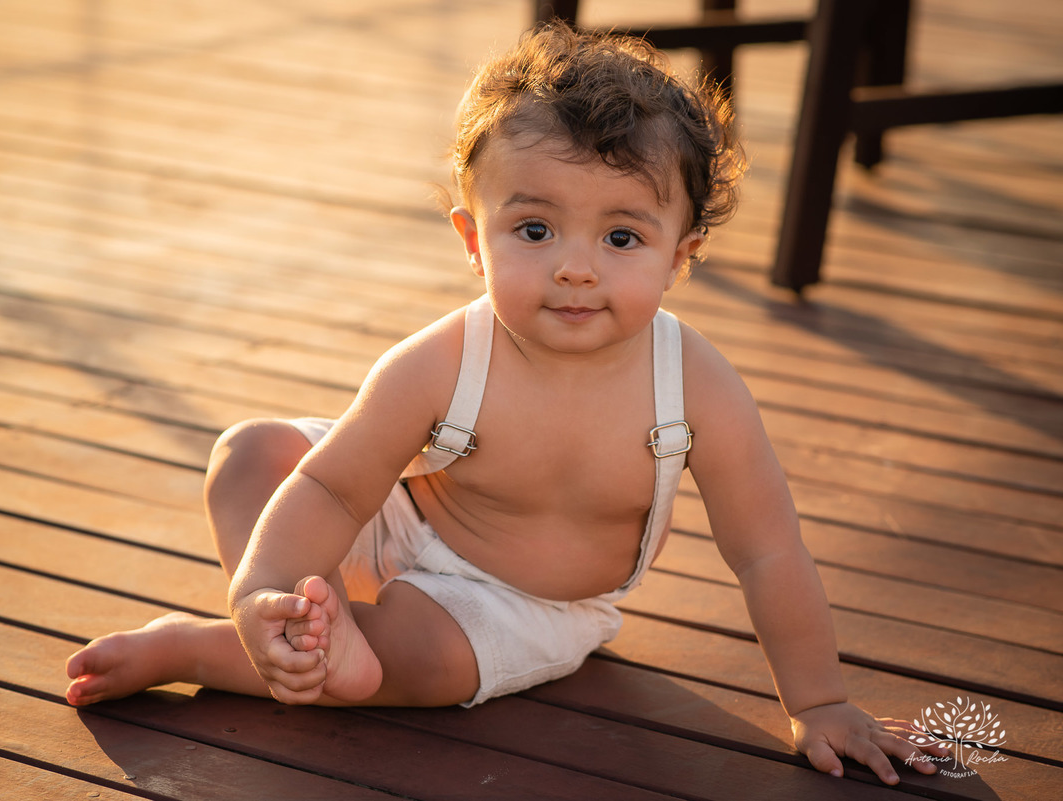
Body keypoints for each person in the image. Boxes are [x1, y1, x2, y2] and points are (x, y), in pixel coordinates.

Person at [65, 24, 946, 785]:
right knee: (252, 453)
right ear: (472, 240)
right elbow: (336, 490)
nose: (575, 265)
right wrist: (267, 583)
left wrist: (820, 698)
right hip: (409, 516)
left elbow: (767, 549)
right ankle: (296, 620)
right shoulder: (445, 357)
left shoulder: (697, 385)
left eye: (622, 236)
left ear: (683, 253)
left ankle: (198, 648)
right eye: (533, 229)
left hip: (527, 604)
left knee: (418, 666)